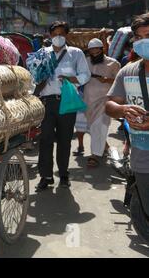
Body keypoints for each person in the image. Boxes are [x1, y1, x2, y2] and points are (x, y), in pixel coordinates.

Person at [36, 21, 91, 191]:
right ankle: (46, 176)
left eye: (61, 34)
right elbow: (33, 76)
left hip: (66, 101)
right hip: (46, 102)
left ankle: (64, 174)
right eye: (54, 34)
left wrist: (73, 79)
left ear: (66, 35)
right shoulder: (42, 53)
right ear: (49, 35)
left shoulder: (76, 53)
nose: (57, 37)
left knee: (64, 140)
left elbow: (85, 74)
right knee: (45, 140)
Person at [106, 13, 149, 219]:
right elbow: (109, 104)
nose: (143, 42)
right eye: (139, 38)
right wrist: (122, 110)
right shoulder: (127, 71)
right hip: (141, 156)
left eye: (148, 35)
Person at [82, 38, 120, 168]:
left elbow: (119, 81)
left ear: (102, 49)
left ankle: (95, 155)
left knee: (101, 125)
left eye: (96, 49)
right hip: (89, 100)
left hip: (105, 100)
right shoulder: (85, 62)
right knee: (93, 127)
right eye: (91, 50)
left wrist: (107, 80)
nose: (94, 52)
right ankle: (104, 147)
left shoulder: (113, 63)